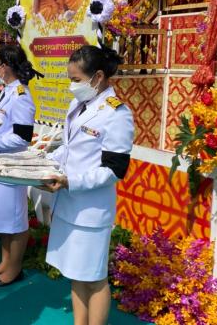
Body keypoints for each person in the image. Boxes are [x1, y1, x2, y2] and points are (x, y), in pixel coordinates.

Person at [40, 45, 134, 325]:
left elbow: (114, 170)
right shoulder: (79, 105)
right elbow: (71, 149)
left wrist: (72, 182)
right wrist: (43, 157)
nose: (72, 86)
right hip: (68, 204)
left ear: (99, 77)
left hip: (91, 211)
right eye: (70, 79)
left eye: (76, 79)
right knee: (76, 272)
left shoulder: (116, 114)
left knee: (94, 278)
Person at [0, 45, 36, 287]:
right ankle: (5, 261)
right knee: (4, 220)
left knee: (15, 221)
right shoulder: (8, 92)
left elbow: (22, 137)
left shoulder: (22, 96)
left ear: (5, 66)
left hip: (12, 168)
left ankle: (14, 268)